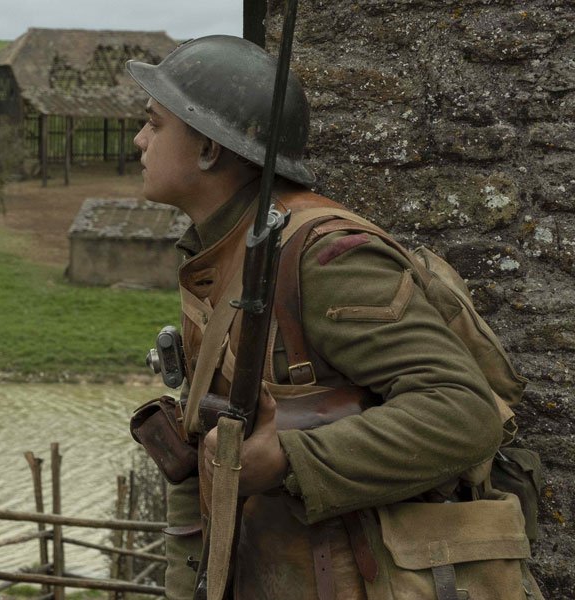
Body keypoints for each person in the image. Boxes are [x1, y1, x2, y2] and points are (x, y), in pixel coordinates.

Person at [126, 35, 542, 599]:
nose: (139, 140)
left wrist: (288, 458)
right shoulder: (224, 249)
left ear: (207, 150)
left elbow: (463, 413)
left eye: (154, 123)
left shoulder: (325, 256)